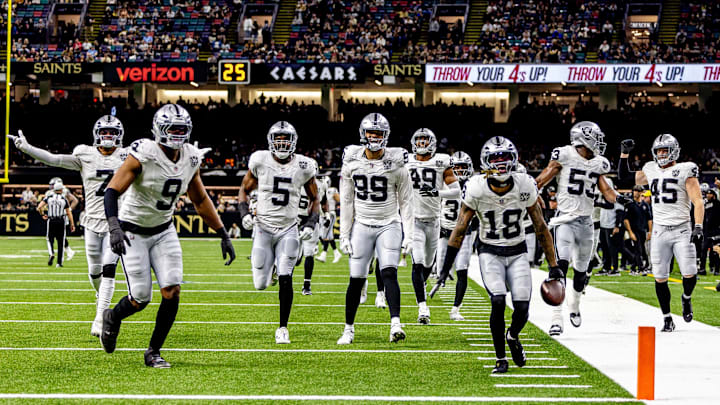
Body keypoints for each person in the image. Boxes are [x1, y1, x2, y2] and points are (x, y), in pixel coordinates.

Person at [100, 104, 235, 368]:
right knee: (140, 298)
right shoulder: (143, 153)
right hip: (133, 231)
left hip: (164, 230)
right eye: (172, 128)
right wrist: (114, 226)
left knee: (172, 290)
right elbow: (112, 190)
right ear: (158, 129)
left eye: (181, 129)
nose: (176, 134)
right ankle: (112, 317)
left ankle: (153, 351)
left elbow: (200, 199)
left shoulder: (191, 157)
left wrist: (222, 232)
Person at [432, 136, 562, 374]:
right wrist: (444, 268)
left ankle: (512, 336)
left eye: (505, 157)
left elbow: (541, 227)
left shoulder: (525, 184)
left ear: (514, 160)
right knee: (498, 300)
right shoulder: (476, 187)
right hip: (490, 251)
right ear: (486, 161)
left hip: (518, 250)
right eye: (495, 158)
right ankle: (500, 358)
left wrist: (554, 266)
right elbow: (459, 229)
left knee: (522, 308)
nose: (501, 163)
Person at [9, 114, 129, 337]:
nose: (108, 136)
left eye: (112, 133)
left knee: (109, 269)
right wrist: (27, 149)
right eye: (105, 132)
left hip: (116, 222)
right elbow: (53, 159)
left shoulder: (127, 155)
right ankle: (99, 297)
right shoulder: (85, 154)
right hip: (91, 221)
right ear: (97, 134)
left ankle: (101, 317)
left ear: (119, 136)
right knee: (94, 270)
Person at [535, 121, 628, 336]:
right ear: (583, 138)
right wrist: (532, 189)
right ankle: (556, 318)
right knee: (559, 267)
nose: (599, 142)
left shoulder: (598, 164)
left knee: (581, 272)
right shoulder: (564, 155)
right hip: (564, 220)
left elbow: (606, 191)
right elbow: (542, 178)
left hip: (586, 222)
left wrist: (624, 200)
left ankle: (574, 305)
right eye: (596, 137)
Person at [238, 121, 319, 344]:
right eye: (278, 139)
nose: (282, 143)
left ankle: (283, 327)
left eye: (286, 139)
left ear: (293, 142)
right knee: (260, 284)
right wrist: (245, 212)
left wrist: (311, 222)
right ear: (271, 141)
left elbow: (315, 198)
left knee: (286, 277)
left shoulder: (304, 165)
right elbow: (244, 190)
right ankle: (271, 268)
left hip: (289, 227)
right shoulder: (260, 160)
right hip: (263, 228)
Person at [336, 113, 414, 345]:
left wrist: (408, 234)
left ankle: (396, 324)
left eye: (379, 133)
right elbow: (347, 201)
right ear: (363, 134)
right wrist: (344, 234)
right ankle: (348, 329)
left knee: (389, 272)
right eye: (372, 133)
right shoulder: (351, 160)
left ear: (386, 136)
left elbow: (407, 201)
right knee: (356, 278)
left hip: (389, 224)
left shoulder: (397, 161)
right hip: (362, 225)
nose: (375, 137)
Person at [618, 134, 704, 332]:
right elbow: (624, 178)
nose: (662, 154)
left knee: (690, 273)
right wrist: (624, 154)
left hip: (682, 228)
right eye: (659, 150)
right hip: (660, 230)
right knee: (660, 276)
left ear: (674, 150)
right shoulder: (651, 169)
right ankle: (666, 317)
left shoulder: (685, 169)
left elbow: (698, 201)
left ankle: (686, 298)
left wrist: (698, 225)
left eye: (665, 150)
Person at [406, 128, 460, 324]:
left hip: (433, 220)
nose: (421, 144)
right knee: (418, 261)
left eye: (424, 140)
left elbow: (456, 191)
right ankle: (423, 308)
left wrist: (437, 192)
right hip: (413, 220)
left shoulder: (442, 161)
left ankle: (422, 296)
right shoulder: (406, 160)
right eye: (418, 140)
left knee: (428, 263)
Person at [435, 151, 475, 321]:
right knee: (434, 268)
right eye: (456, 167)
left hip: (464, 235)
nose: (459, 170)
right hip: (444, 233)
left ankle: (455, 308)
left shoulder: (474, 186)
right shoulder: (445, 184)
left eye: (462, 167)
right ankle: (422, 305)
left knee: (462, 270)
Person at [297, 174, 328, 295]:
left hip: (311, 220)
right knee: (295, 257)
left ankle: (306, 285)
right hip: (298, 220)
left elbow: (322, 202)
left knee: (309, 253)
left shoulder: (321, 184)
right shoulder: (297, 181)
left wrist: (326, 214)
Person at [37, 181, 75, 268]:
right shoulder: (63, 199)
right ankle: (59, 263)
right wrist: (72, 224)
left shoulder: (49, 197)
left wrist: (42, 214)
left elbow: (39, 207)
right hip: (61, 221)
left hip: (51, 220)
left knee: (49, 239)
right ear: (61, 190)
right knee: (61, 242)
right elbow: (69, 213)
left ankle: (51, 253)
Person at [44, 177, 79, 261]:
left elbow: (75, 200)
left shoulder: (64, 191)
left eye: (53, 185)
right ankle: (68, 251)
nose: (51, 187)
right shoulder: (51, 193)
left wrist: (69, 210)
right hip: (56, 215)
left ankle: (67, 251)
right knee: (60, 236)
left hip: (61, 216)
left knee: (59, 236)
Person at [597, 177, 624, 276]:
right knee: (604, 247)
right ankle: (606, 267)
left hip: (611, 225)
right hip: (603, 224)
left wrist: (617, 226)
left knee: (612, 248)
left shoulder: (616, 196)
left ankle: (615, 268)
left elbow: (619, 211)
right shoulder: (602, 196)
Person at [624, 185, 652, 275]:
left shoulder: (645, 205)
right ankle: (641, 268)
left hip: (642, 230)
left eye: (638, 191)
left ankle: (633, 267)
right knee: (638, 249)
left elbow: (649, 219)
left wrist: (650, 231)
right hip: (634, 229)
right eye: (635, 190)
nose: (636, 192)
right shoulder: (630, 204)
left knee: (642, 249)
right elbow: (626, 219)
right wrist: (630, 232)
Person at [317, 181, 342, 264]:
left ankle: (324, 254)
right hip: (322, 214)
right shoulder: (320, 190)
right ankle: (336, 253)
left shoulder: (332, 190)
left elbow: (339, 199)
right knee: (329, 235)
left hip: (330, 213)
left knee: (326, 234)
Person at [700, 184, 720, 274]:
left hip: (716, 230)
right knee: (704, 250)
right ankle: (702, 269)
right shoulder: (705, 204)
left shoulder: (718, 204)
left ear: (714, 195)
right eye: (707, 194)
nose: (708, 195)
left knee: (715, 251)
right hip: (706, 231)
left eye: (710, 194)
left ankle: (716, 269)